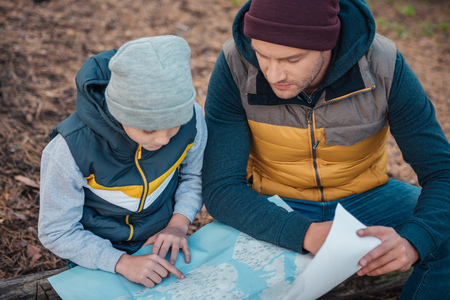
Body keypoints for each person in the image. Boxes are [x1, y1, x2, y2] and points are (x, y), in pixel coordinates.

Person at [202, 0, 450, 298]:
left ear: (328, 44)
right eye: (262, 55)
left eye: (292, 60)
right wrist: (304, 233)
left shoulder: (384, 65)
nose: (273, 74)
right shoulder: (234, 63)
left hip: (366, 198)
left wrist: (414, 241)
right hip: (276, 202)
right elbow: (221, 188)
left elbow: (442, 170)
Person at [39, 35, 207, 288]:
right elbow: (57, 230)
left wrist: (178, 224)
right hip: (96, 248)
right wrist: (121, 262)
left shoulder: (193, 119)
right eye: (148, 130)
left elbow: (193, 176)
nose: (162, 140)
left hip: (161, 237)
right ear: (120, 113)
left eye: (173, 126)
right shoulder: (69, 149)